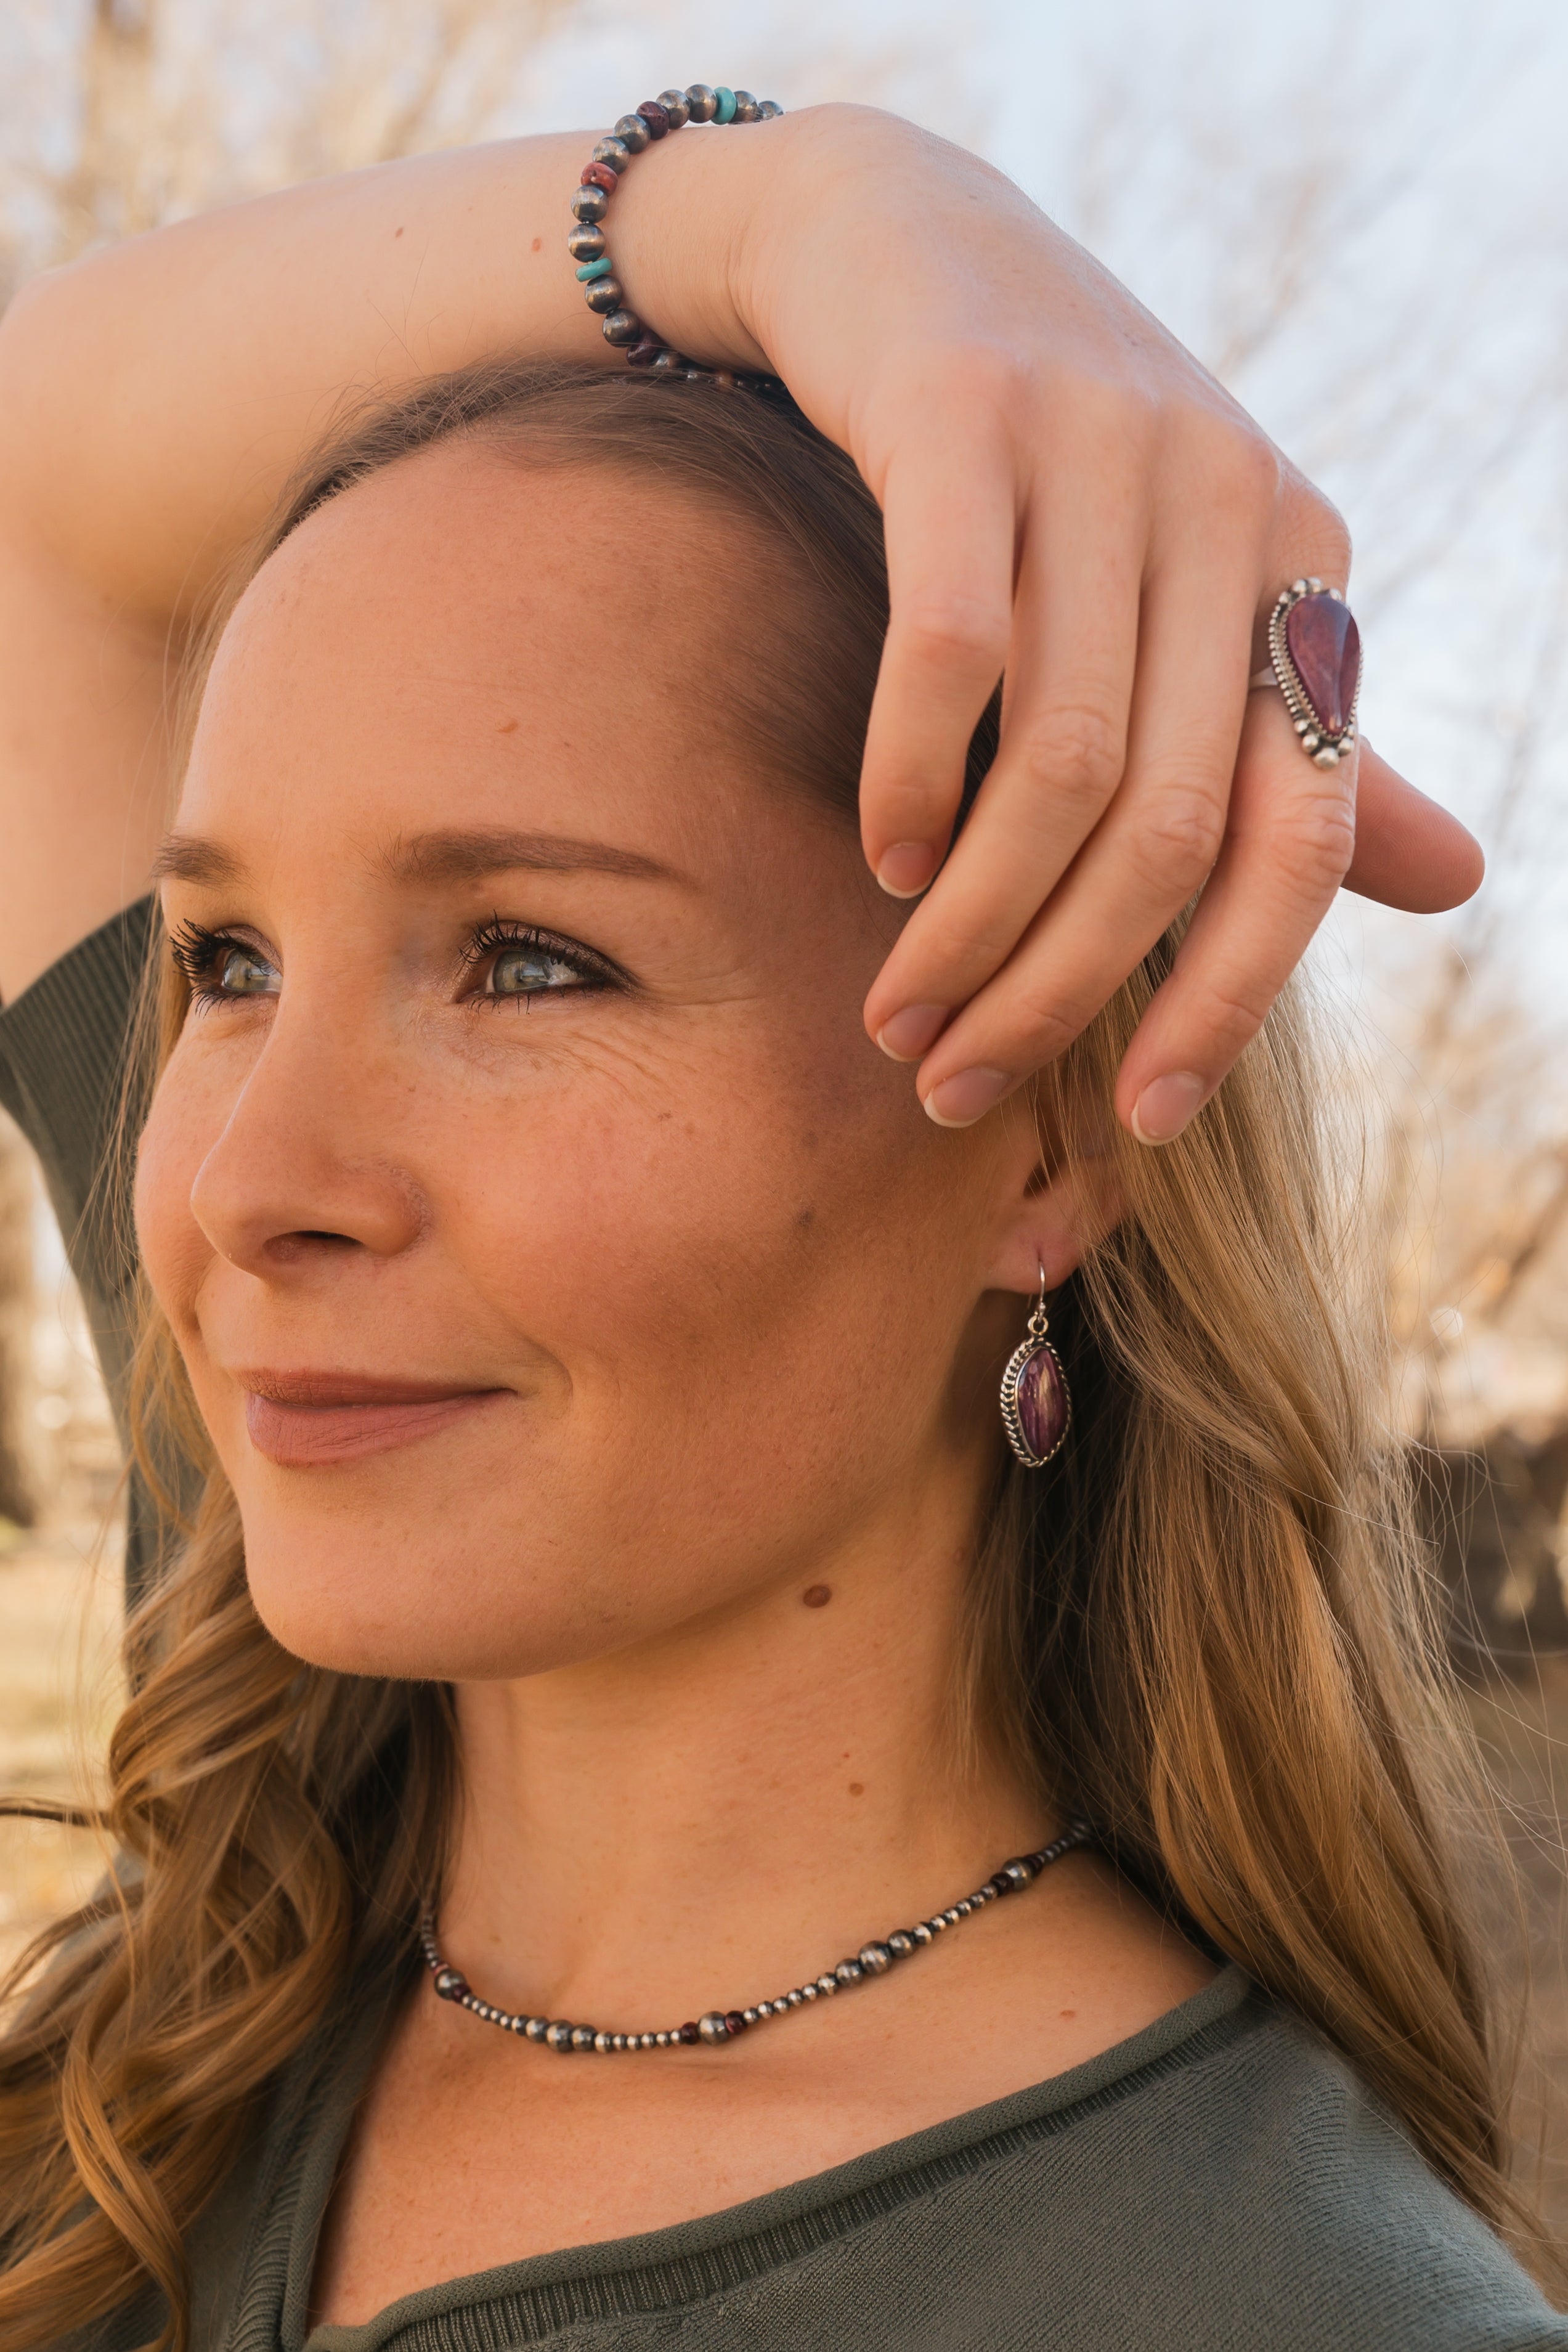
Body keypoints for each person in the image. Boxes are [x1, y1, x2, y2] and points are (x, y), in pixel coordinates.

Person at [0, 94, 1548, 2352]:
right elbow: (45, 489)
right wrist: (791, 201)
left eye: (529, 960)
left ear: (1039, 1147)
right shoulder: (283, 1752)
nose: (244, 1189)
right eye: (223, 961)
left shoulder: (1283, 2307)